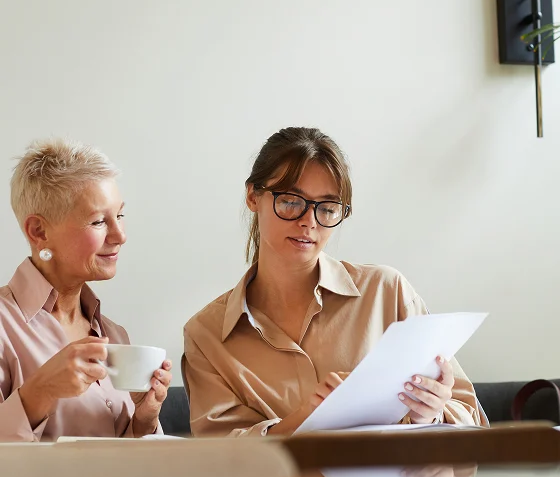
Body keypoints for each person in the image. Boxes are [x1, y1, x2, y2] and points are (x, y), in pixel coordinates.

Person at [183, 127, 487, 437]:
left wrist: (432, 414)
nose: (309, 222)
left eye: (327, 209)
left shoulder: (387, 293)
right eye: (290, 201)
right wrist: (305, 421)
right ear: (253, 196)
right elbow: (219, 458)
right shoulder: (206, 335)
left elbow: (472, 418)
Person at [0, 138, 172, 442]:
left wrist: (144, 422)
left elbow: (124, 465)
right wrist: (41, 391)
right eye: (98, 221)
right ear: (38, 231)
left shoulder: (114, 334)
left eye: (119, 215)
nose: (120, 235)